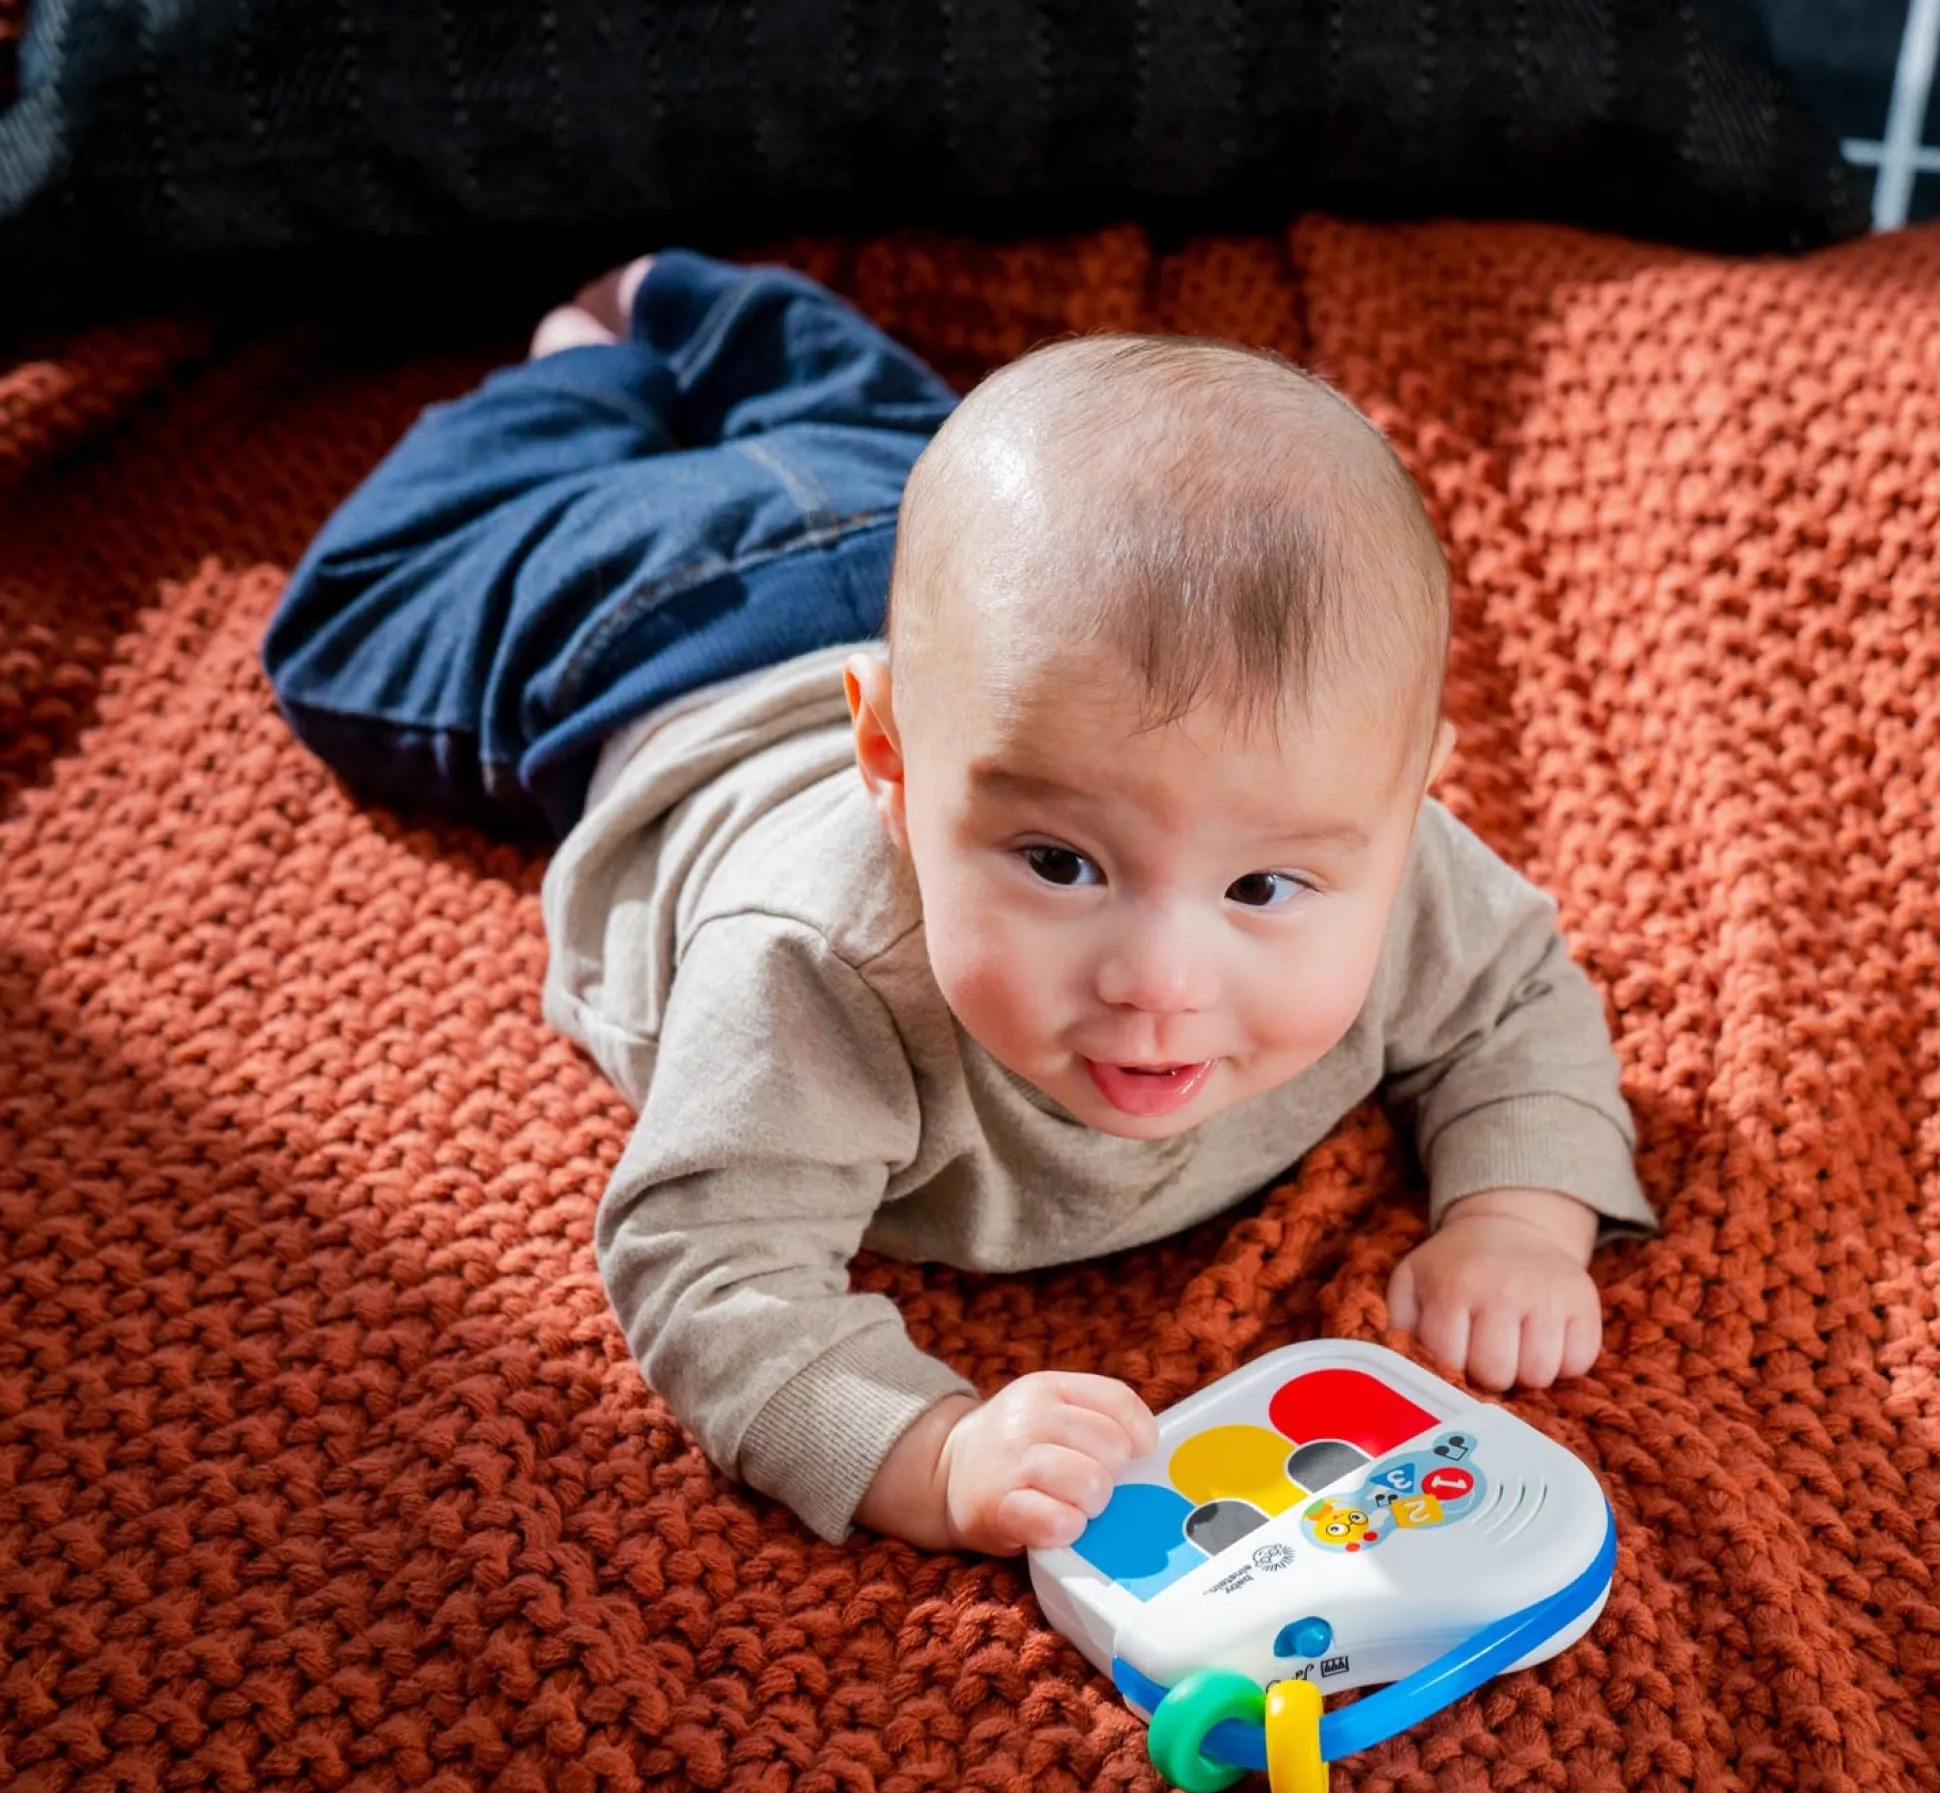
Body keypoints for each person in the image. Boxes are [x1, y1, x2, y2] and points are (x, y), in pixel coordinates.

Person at [263, 250, 1656, 1558]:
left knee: (904, 473)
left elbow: (1519, 995)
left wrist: (1519, 1217)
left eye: (1260, 889)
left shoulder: (1385, 859)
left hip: (1000, 617)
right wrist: (927, 1450)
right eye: (1059, 864)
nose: (1159, 979)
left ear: (1412, 804)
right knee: (345, 631)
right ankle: (598, 355)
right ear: (893, 769)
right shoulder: (818, 973)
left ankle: (744, 332)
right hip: (665, 631)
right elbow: (705, 1260)